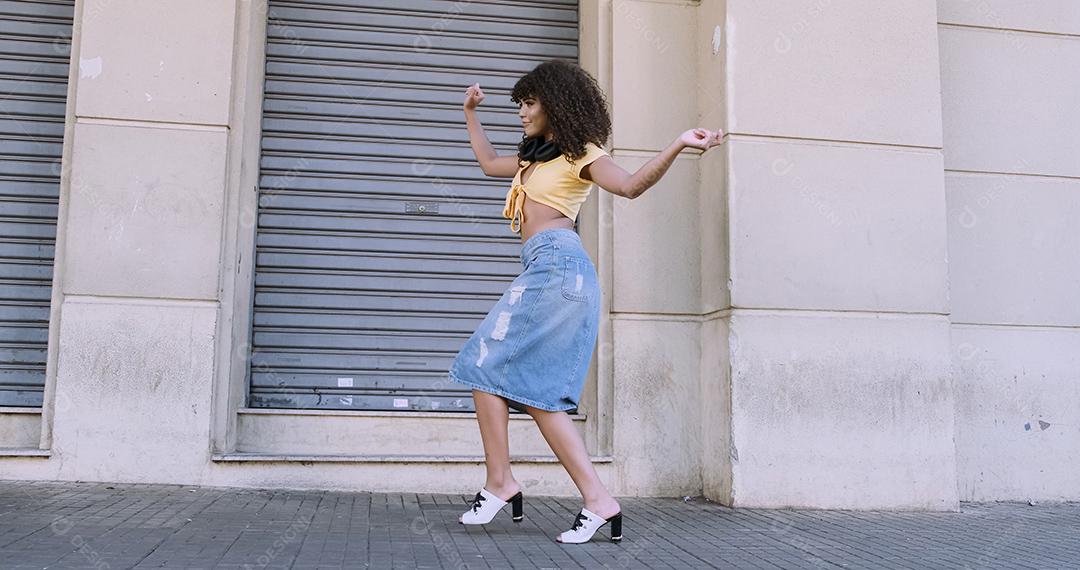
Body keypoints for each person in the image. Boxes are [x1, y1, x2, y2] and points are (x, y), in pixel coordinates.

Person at [447, 59, 723, 544]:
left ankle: (502, 483)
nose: (521, 113)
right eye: (518, 105)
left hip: (559, 268)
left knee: (481, 363)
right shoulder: (534, 159)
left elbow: (631, 185)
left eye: (529, 103)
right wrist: (470, 113)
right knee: (530, 391)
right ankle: (598, 501)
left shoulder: (583, 155)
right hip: (543, 268)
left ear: (554, 104)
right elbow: (489, 163)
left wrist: (679, 143)